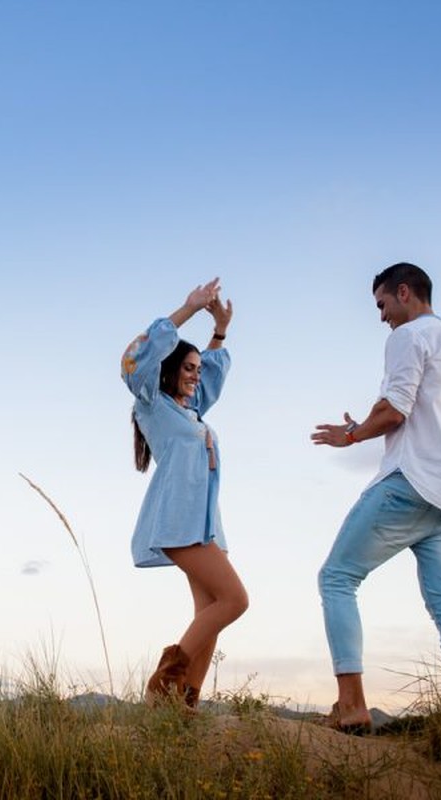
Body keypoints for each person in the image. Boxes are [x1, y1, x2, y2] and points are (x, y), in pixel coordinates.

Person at [311, 262, 441, 733]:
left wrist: (352, 436)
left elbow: (395, 411)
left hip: (410, 484)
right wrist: (363, 422)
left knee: (336, 578)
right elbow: (406, 406)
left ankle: (352, 705)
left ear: (404, 293)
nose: (382, 316)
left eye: (383, 304)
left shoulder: (407, 337)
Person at [121, 278, 250, 708]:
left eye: (198, 367)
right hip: (179, 520)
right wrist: (188, 308)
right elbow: (137, 361)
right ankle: (163, 685)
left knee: (210, 610)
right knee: (234, 600)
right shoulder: (151, 403)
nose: (196, 374)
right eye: (187, 367)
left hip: (207, 523)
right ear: (169, 368)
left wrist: (220, 330)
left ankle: (185, 706)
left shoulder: (190, 410)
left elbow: (213, 377)